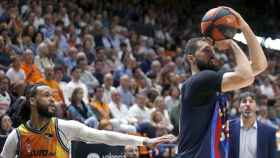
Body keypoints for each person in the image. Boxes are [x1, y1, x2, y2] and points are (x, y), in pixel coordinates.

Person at [177, 8, 268, 158]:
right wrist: (231, 43)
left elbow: (260, 66)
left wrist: (243, 25)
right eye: (206, 50)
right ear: (191, 59)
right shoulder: (200, 81)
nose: (212, 53)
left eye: (212, 49)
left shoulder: (209, 83)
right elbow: (246, 77)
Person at [0, 84, 175, 158]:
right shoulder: (17, 137)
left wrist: (144, 140)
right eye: (46, 95)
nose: (53, 99)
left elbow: (104, 136)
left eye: (53, 96)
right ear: (31, 100)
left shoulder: (64, 128)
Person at [229, 91, 277, 158]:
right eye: (244, 101)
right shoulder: (228, 128)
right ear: (239, 108)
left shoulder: (269, 132)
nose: (248, 104)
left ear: (257, 107)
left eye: (251, 101)